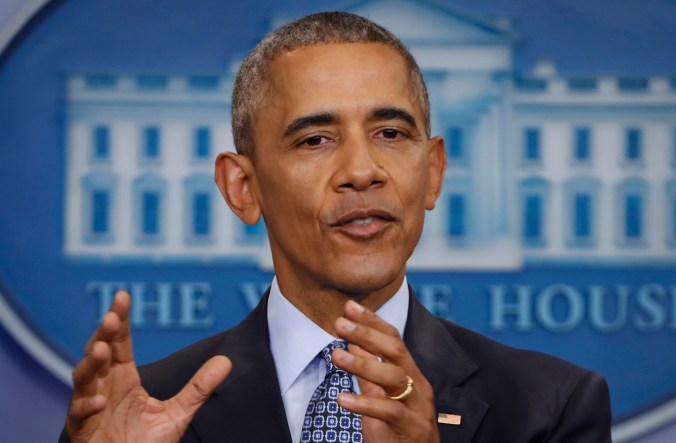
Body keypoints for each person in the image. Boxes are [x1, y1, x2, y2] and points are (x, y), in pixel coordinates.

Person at [61, 11, 612, 443]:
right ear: (243, 189)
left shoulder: (550, 406)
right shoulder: (151, 408)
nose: (361, 171)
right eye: (315, 140)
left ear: (433, 173)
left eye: (392, 133)